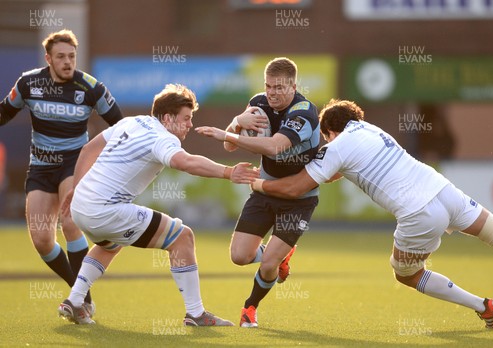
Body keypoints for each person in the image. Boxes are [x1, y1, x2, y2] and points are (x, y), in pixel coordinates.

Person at [247, 99, 493, 329]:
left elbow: (295, 188)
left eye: (325, 138)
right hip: (443, 191)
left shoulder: (336, 146)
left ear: (330, 132)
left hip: (418, 213)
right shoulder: (371, 130)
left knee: (406, 274)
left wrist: (258, 184)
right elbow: (341, 169)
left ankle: (483, 305)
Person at [58, 83, 259, 325]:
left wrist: (76, 188)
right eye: (186, 118)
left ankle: (75, 300)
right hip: (105, 210)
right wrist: (228, 172)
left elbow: (89, 149)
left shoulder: (132, 121)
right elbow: (186, 163)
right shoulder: (161, 138)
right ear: (167, 118)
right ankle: (196, 314)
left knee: (110, 244)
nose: (190, 124)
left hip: (82, 205)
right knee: (182, 237)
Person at [0, 29, 123, 314]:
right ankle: (80, 294)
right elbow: (5, 112)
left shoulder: (91, 88)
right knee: (42, 240)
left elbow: (119, 125)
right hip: (41, 166)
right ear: (48, 59)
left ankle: (78, 299)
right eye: (61, 57)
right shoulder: (29, 83)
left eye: (71, 56)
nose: (68, 62)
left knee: (69, 222)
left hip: (74, 164)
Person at [196, 57, 320, 328]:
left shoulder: (304, 112)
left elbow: (275, 147)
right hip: (265, 192)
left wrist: (227, 134)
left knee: (267, 266)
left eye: (279, 87)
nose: (272, 93)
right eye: (268, 86)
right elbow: (231, 148)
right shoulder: (258, 103)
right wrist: (236, 122)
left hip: (299, 198)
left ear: (293, 86)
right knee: (239, 257)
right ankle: (279, 253)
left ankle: (249, 308)